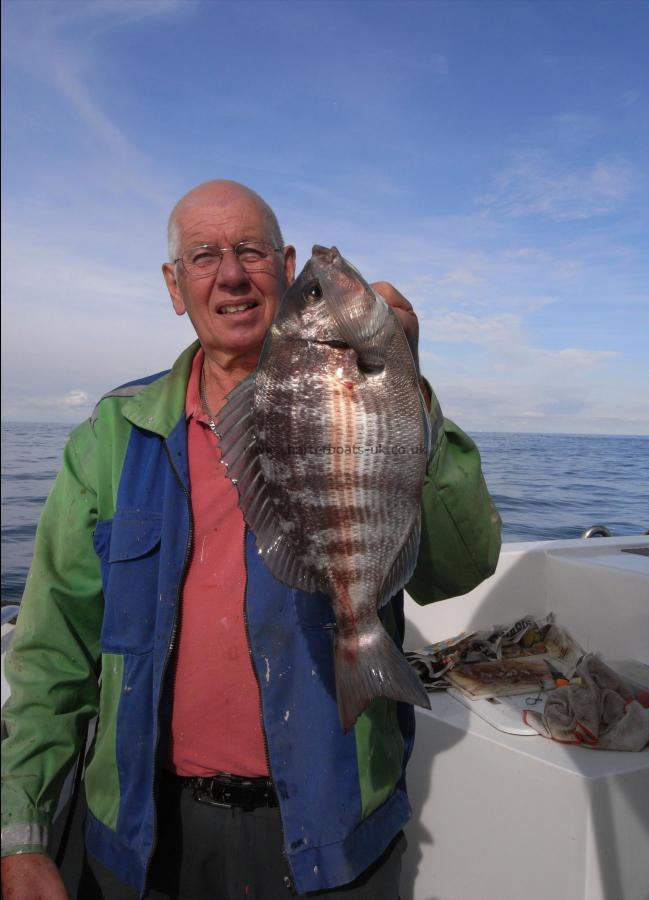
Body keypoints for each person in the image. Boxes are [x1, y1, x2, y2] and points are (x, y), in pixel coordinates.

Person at [1, 180, 501, 899]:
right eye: (203, 256)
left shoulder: (372, 395)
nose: (230, 274)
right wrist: (21, 832)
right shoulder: (108, 441)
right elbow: (53, 654)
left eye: (250, 251)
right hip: (148, 836)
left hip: (331, 836)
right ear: (176, 287)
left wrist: (404, 388)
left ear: (286, 263)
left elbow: (457, 569)